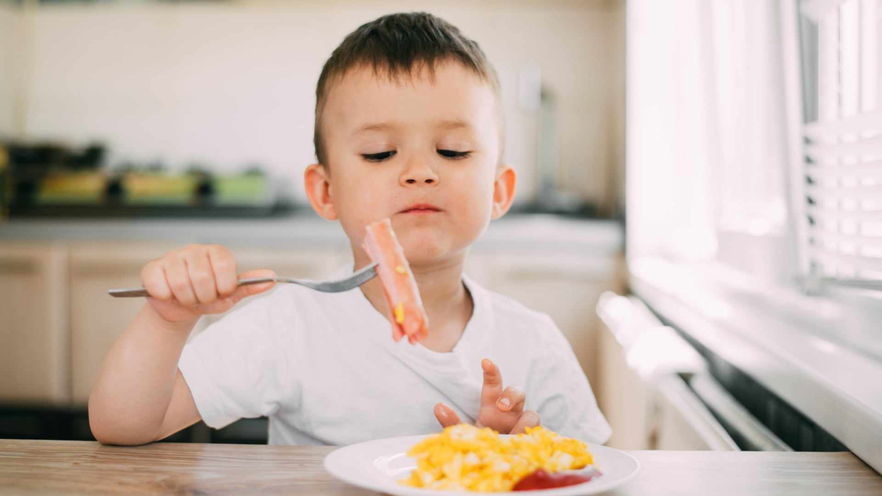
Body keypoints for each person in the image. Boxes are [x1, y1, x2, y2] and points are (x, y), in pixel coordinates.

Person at [88, 12, 611, 446]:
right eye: (380, 153)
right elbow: (124, 425)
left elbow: (593, 467)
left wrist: (512, 454)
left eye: (451, 151)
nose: (420, 171)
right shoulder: (290, 324)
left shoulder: (532, 343)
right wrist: (168, 321)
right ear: (325, 192)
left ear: (499, 191)